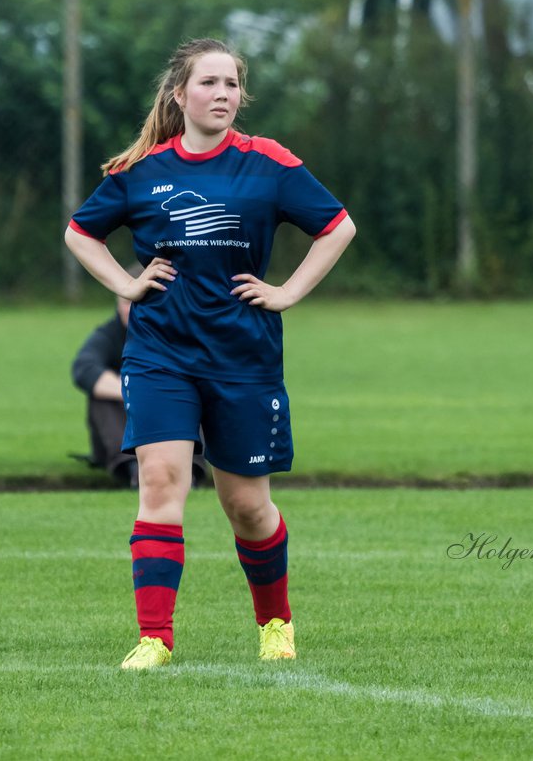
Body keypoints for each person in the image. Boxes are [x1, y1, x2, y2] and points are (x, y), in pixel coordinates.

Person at [64, 37, 355, 669]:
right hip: (159, 355)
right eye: (209, 83)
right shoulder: (142, 169)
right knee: (161, 484)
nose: (222, 94)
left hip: (243, 358)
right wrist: (126, 284)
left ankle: (275, 623)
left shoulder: (268, 162)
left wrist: (288, 291)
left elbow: (338, 227)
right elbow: (80, 232)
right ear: (179, 95)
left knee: (247, 506)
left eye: (231, 84)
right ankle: (154, 639)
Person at [70, 289, 209, 488]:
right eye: (127, 303)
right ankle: (132, 469)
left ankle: (190, 469)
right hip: (126, 420)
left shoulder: (180, 333)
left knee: (192, 389)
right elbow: (84, 368)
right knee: (100, 394)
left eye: (141, 302)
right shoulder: (110, 334)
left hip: (172, 415)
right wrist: (138, 393)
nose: (132, 309)